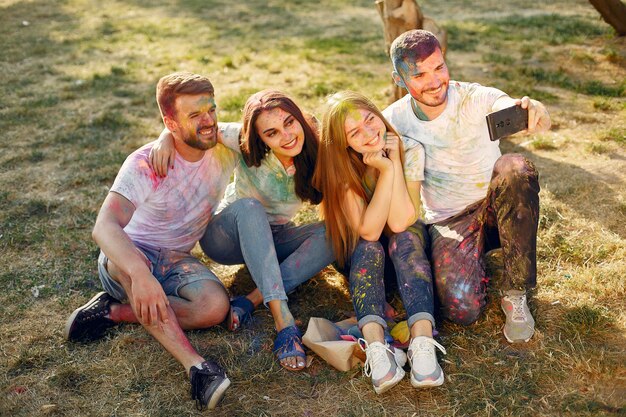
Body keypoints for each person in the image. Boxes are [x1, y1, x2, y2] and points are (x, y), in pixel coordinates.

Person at [63, 72, 237, 410]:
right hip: (128, 254)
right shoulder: (145, 163)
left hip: (175, 258)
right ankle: (197, 368)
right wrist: (141, 275)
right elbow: (105, 226)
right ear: (170, 122)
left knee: (214, 308)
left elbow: (257, 130)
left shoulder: (221, 144)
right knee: (130, 265)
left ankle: (112, 313)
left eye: (212, 110)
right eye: (195, 115)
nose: (208, 122)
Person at [384, 29, 551, 342]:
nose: (434, 82)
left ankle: (516, 291)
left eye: (439, 67)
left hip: (496, 207)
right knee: (462, 309)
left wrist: (534, 109)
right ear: (398, 79)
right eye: (419, 75)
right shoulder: (393, 120)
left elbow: (506, 103)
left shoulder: (474, 97)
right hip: (450, 220)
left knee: (515, 169)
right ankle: (475, 258)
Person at [150, 90, 335, 371]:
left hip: (273, 237)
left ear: (299, 118)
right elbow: (197, 128)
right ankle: (283, 322)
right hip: (226, 235)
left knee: (334, 234)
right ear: (259, 138)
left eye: (289, 122)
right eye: (271, 133)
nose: (286, 136)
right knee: (250, 207)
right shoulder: (241, 140)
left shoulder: (319, 151)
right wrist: (165, 136)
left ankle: (250, 300)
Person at [313, 91, 445, 394]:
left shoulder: (408, 150)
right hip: (365, 260)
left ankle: (422, 342)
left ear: (379, 115)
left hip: (405, 254)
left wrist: (394, 161)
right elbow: (370, 231)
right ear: (344, 143)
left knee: (406, 237)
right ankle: (376, 347)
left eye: (370, 120)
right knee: (368, 245)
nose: (368, 133)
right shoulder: (342, 167)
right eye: (354, 132)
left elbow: (400, 221)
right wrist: (385, 172)